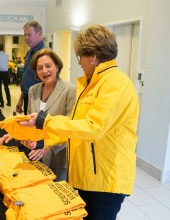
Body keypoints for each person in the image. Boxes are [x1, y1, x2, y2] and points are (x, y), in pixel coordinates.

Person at [18, 24, 139, 220]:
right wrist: (44, 142)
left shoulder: (116, 83)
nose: (80, 63)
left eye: (80, 57)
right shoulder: (92, 83)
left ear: (92, 55)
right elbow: (75, 125)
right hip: (89, 177)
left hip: (105, 180)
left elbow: (93, 128)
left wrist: (46, 121)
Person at [0, 48, 76, 181]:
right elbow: (30, 122)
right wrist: (16, 132)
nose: (44, 71)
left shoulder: (70, 90)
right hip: (34, 155)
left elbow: (70, 128)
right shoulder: (33, 90)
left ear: (57, 66)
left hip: (56, 158)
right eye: (39, 68)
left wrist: (46, 146)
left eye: (48, 66)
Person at [16, 21, 48, 115]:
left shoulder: (45, 54)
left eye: (29, 35)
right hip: (27, 97)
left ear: (39, 33)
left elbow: (49, 82)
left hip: (38, 100)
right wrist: (21, 99)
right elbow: (27, 77)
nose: (26, 38)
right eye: (25, 35)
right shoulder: (30, 52)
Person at [0, 42, 11, 108]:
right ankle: (9, 102)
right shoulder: (6, 55)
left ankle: (2, 103)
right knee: (6, 87)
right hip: (5, 72)